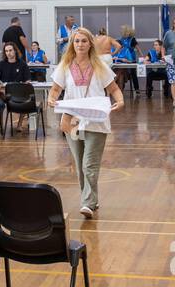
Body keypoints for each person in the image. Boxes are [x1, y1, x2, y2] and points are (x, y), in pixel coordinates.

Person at [48, 27, 125, 217]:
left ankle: (88, 203)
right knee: (80, 164)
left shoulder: (100, 66)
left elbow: (114, 89)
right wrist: (51, 99)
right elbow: (55, 90)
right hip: (72, 121)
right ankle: (91, 199)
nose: (80, 44)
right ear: (72, 44)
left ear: (90, 43)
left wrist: (121, 101)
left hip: (96, 120)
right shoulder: (65, 66)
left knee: (89, 163)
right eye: (77, 41)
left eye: (84, 41)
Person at [114, 25, 139, 95]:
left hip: (131, 58)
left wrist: (142, 56)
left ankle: (137, 89)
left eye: (123, 31)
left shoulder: (132, 39)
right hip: (122, 60)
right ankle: (119, 88)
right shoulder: (121, 39)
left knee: (133, 73)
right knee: (121, 71)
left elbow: (138, 49)